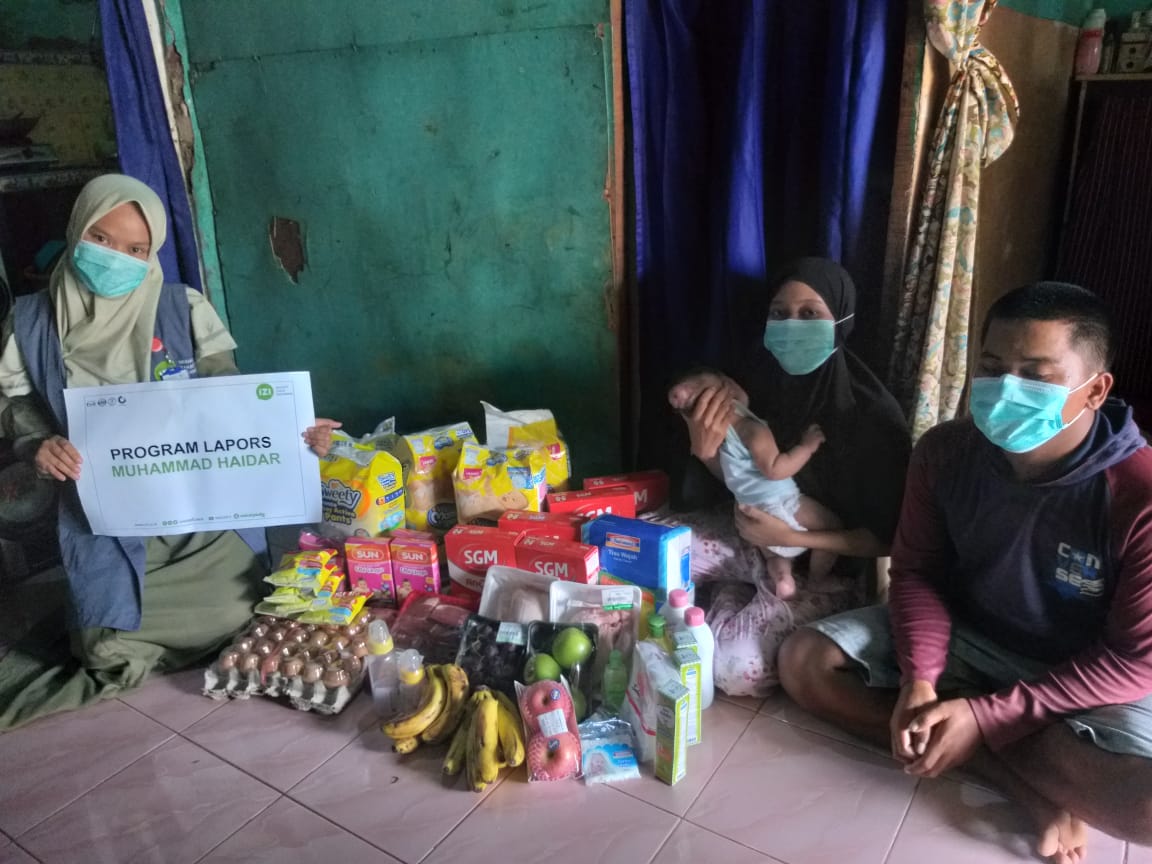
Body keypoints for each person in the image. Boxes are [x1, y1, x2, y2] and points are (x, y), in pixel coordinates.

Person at [778, 282, 1152, 864]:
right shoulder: (945, 453)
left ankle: (973, 728)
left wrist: (987, 714)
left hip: (1079, 671)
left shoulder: (1138, 496)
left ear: (1096, 390)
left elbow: (1134, 661)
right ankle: (1006, 773)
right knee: (804, 663)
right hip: (969, 637)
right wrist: (919, 678)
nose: (1006, 390)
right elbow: (917, 572)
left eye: (1036, 375)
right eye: (993, 369)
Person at [0, 174, 339, 730]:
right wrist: (37, 445)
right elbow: (15, 407)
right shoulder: (32, 323)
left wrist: (291, 431)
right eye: (101, 239)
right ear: (77, 229)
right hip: (107, 523)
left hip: (196, 516)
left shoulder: (182, 309)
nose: (116, 258)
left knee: (240, 612)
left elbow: (230, 398)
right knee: (106, 651)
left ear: (152, 251)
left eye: (136, 249)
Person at [665, 257, 910, 696]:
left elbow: (884, 539)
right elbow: (741, 479)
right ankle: (740, 590)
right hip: (752, 534)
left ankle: (735, 596)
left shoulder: (874, 418)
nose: (792, 326)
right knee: (643, 550)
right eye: (779, 314)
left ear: (842, 321)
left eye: (810, 313)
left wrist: (790, 536)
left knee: (732, 669)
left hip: (825, 566)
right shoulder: (755, 384)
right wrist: (704, 452)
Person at [668, 369, 842, 598]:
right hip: (782, 503)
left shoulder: (720, 441)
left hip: (750, 517)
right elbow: (775, 470)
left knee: (775, 556)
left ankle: (783, 579)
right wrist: (806, 447)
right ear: (730, 387)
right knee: (831, 525)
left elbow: (741, 403)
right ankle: (816, 580)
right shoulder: (752, 430)